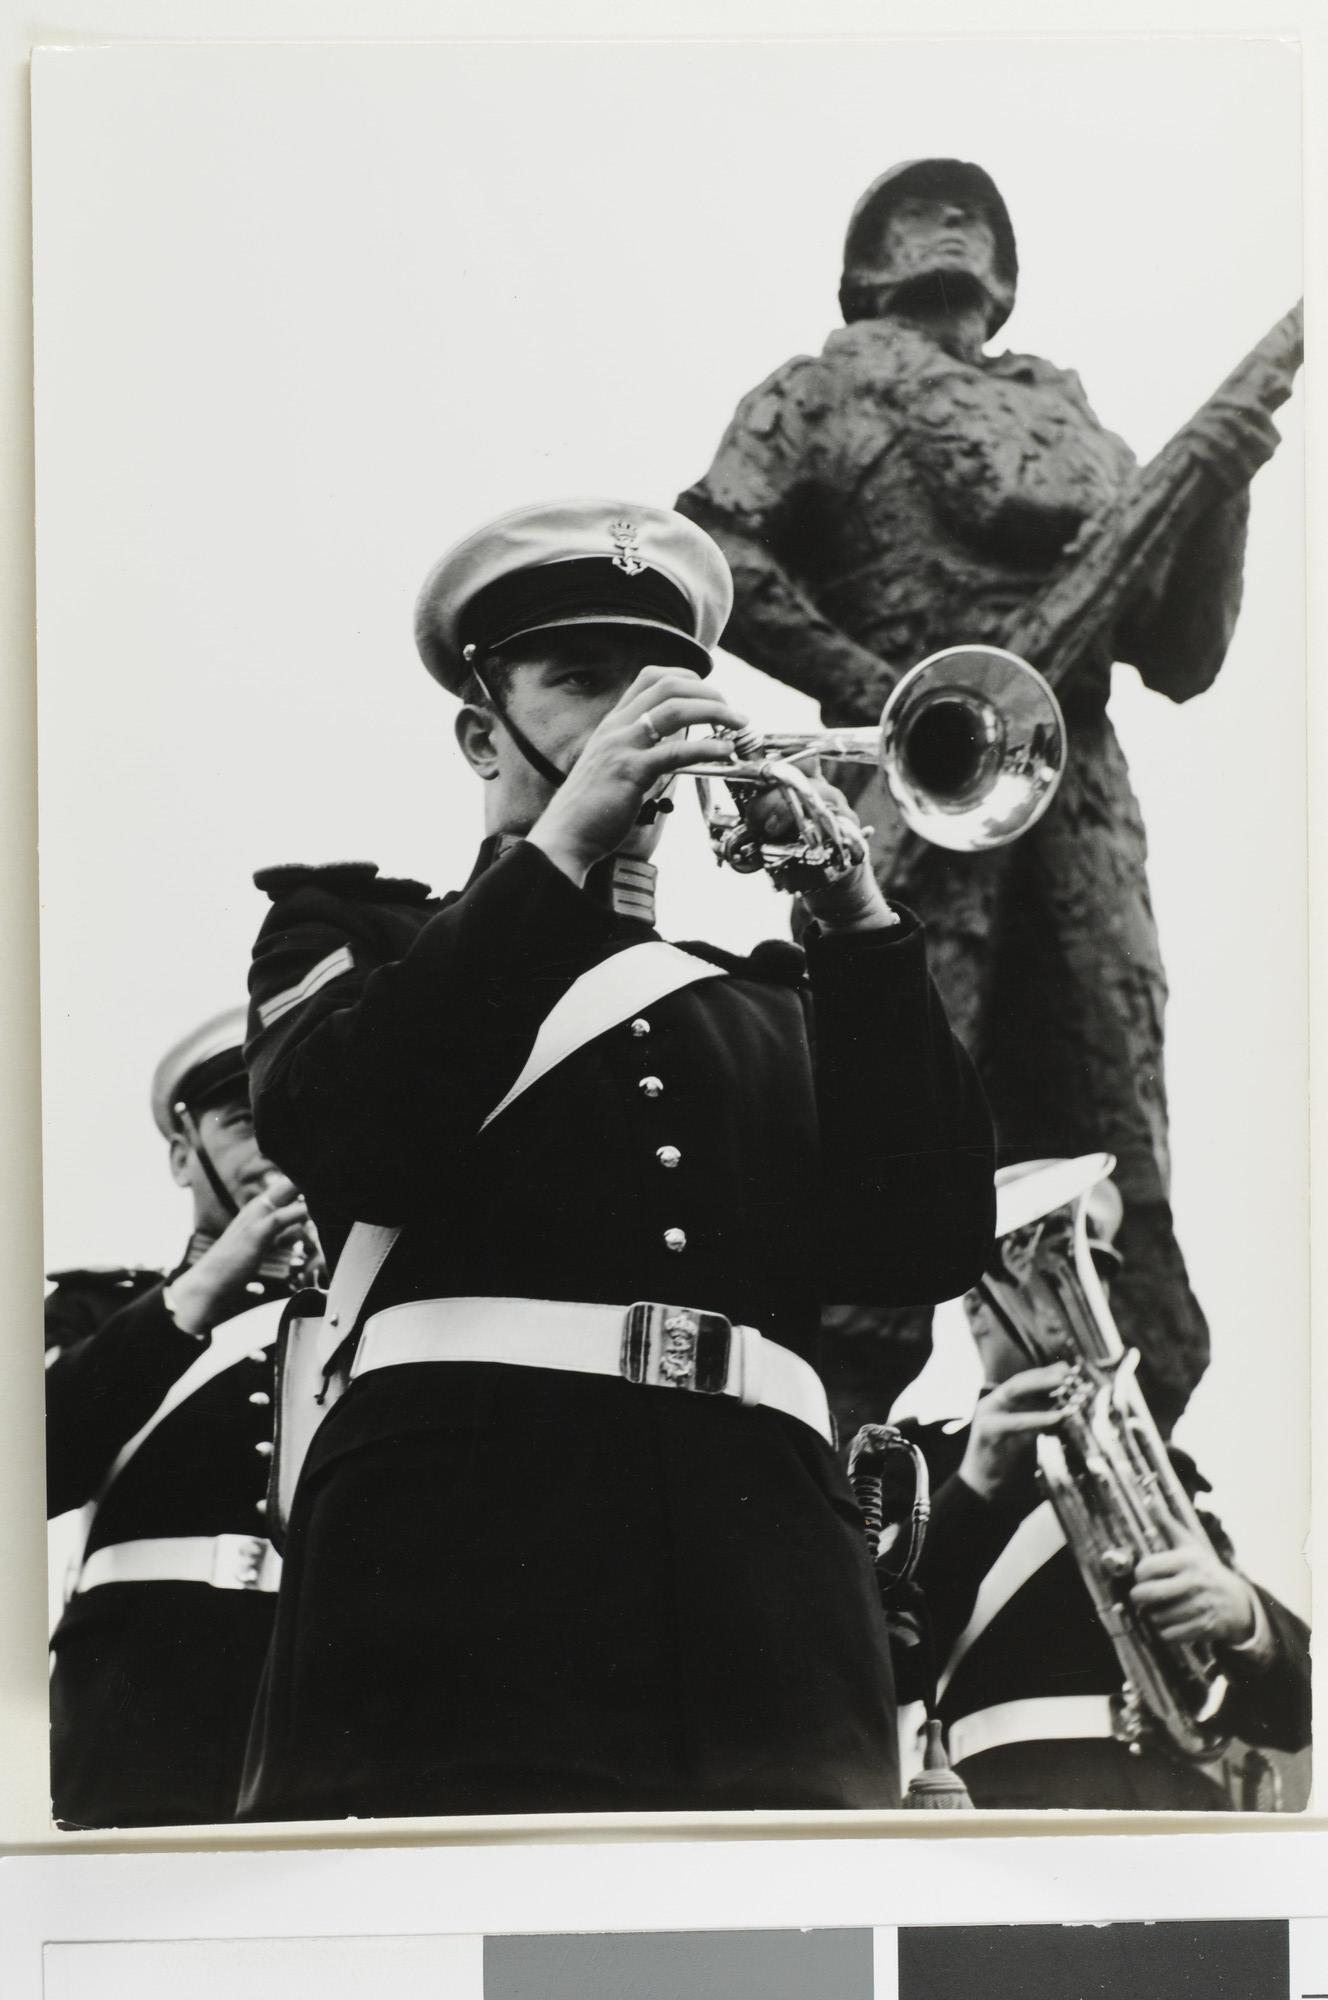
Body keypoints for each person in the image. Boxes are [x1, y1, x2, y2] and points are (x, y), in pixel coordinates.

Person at [238, 497, 995, 1820]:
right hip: (465, 1577)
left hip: (770, 1595)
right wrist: (563, 847)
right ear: (484, 731)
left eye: (660, 689)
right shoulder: (353, 937)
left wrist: (859, 922)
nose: (636, 720)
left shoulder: (774, 1001)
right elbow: (355, 1135)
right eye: (580, 681)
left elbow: (920, 1243)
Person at [676, 158, 1291, 1436]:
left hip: (1075, 812)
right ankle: (835, 1499)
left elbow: (1179, 656)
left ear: (1007, 272)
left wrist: (1220, 486)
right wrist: (891, 694)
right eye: (917, 209)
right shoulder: (820, 386)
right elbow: (720, 552)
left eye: (974, 213)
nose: (950, 222)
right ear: (865, 260)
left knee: (1114, 1177)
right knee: (873, 1181)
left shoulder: (1074, 419)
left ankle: (1094, 1512)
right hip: (905, 808)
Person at [892, 1164, 1310, 1810]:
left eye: (1093, 1271)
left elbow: (1295, 1711)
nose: (1081, 1298)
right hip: (1009, 1802)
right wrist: (973, 1489)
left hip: (1177, 1805)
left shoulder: (1165, 1473)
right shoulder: (916, 1459)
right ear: (976, 1306)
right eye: (1045, 1275)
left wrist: (1243, 1615)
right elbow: (883, 1659)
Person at [45, 1009, 314, 1828]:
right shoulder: (97, 1310)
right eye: (244, 1121)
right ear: (181, 1152)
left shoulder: (369, 1314)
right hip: (144, 1692)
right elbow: (33, 1470)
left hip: (322, 1689)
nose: (276, 1142)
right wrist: (201, 1291)